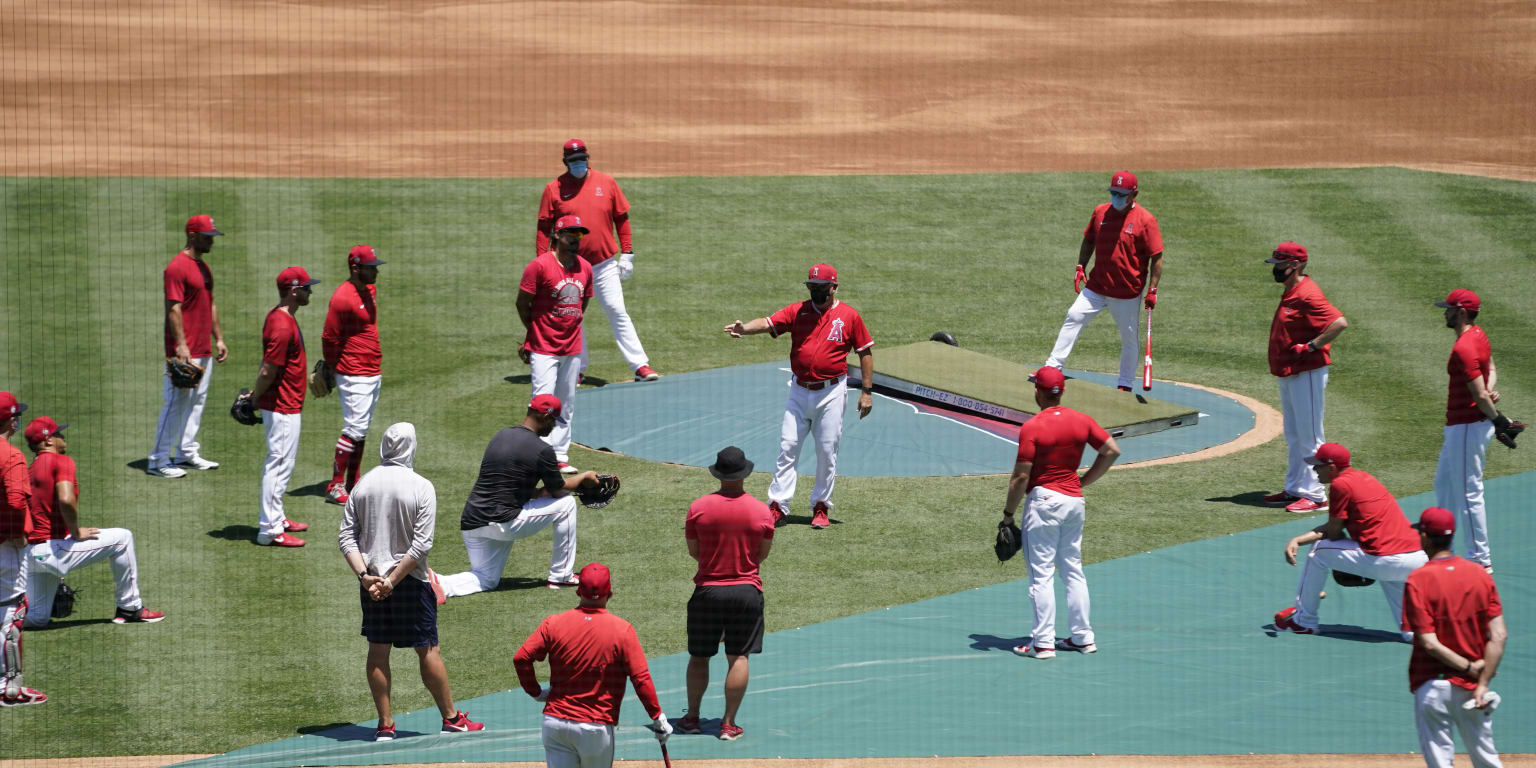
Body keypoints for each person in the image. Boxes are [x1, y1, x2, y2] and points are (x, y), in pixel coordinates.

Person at [338, 422, 483, 741]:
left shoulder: (362, 485)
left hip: (372, 583)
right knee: (428, 649)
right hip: (410, 582)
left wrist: (366, 577)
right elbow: (422, 545)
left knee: (378, 650)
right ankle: (452, 719)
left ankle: (385, 725)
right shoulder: (421, 486)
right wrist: (391, 581)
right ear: (411, 447)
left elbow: (347, 537)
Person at [722, 264, 875, 530]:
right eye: (811, 287)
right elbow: (769, 322)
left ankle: (820, 506)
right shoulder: (798, 311)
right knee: (788, 446)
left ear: (834, 287)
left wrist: (867, 392)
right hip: (799, 390)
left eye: (820, 287)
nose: (815, 291)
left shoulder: (849, 316)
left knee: (827, 451)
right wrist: (744, 328)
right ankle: (778, 506)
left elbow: (865, 352)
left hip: (831, 392)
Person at [436, 395, 606, 597]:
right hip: (503, 522)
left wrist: (543, 492)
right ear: (545, 417)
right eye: (553, 421)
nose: (553, 427)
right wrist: (584, 477)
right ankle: (561, 576)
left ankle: (438, 583)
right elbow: (559, 490)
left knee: (486, 579)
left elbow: (512, 486)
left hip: (472, 522)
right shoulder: (542, 450)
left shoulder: (501, 435)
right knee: (567, 504)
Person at [1004, 367, 1120, 659]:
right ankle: (1083, 638)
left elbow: (1020, 478)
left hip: (1044, 503)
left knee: (1041, 574)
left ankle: (1042, 643)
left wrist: (1008, 515)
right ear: (1062, 391)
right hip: (1074, 501)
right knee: (1072, 570)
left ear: (1037, 392)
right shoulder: (1082, 420)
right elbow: (1111, 450)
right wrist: (1084, 480)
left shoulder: (1033, 427)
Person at [513, 562, 671, 768]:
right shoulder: (622, 631)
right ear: (610, 592)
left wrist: (536, 693)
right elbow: (640, 678)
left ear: (578, 592)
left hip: (555, 724)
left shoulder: (553, 623)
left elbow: (521, 658)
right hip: (594, 729)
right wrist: (657, 716)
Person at [1273, 443, 1429, 638]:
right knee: (1412, 632)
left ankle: (1303, 621)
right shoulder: (1365, 478)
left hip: (1386, 559)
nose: (1314, 470)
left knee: (1318, 552)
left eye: (1318, 466)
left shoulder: (1340, 485)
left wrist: (1302, 542)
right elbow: (1340, 527)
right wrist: (1298, 540)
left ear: (1331, 468)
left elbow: (1334, 532)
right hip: (1417, 559)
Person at [536, 138, 660, 383]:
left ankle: (640, 365)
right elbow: (543, 228)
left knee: (617, 310)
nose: (579, 164)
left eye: (582, 159)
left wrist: (627, 253)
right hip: (569, 267)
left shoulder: (606, 182)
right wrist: (544, 262)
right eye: (573, 161)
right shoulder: (554, 188)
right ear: (565, 162)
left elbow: (621, 219)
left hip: (604, 264)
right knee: (572, 316)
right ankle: (577, 369)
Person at [23, 417, 164, 626]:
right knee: (122, 539)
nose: (63, 436)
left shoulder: (31, 469)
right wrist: (76, 532)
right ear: (48, 441)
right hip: (53, 551)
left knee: (36, 618)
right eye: (58, 433)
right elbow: (65, 498)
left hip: (30, 555)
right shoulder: (61, 461)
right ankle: (130, 608)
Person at [678, 446, 774, 741]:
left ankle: (692, 718)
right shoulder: (762, 511)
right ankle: (729, 724)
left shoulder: (698, 508)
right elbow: (761, 555)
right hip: (746, 593)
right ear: (745, 473)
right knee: (739, 657)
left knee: (698, 657)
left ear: (718, 473)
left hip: (707, 591)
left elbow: (695, 551)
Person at [1402, 506, 1506, 768]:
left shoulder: (1419, 579)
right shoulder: (1479, 575)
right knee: (1487, 759)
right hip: (1473, 690)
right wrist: (1481, 680)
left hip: (1432, 685)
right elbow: (1499, 635)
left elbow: (1429, 643)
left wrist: (1468, 668)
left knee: (1440, 762)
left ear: (1425, 536)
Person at [1045, 171, 1164, 391]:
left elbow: (1156, 257)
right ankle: (1053, 367)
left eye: (1121, 194)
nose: (1116, 197)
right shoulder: (1101, 212)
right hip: (1097, 286)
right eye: (1114, 193)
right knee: (1074, 315)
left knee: (1129, 338)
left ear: (1134, 194)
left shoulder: (1146, 221)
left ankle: (1125, 383)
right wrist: (1080, 266)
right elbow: (1089, 240)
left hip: (1127, 292)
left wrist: (1152, 289)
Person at [1434, 289, 1521, 573]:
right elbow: (1491, 369)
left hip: (1467, 428)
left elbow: (1481, 397)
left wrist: (1497, 418)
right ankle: (1440, 544)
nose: (1444, 312)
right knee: (1444, 484)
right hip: (1463, 426)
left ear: (1460, 312)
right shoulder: (1478, 335)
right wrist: (1487, 390)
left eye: (1448, 308)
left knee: (1469, 491)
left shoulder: (1463, 348)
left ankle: (1479, 561)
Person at [1264, 241, 1348, 514]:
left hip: (1307, 372)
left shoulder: (1308, 294)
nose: (1275, 268)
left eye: (1279, 264)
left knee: (1311, 435)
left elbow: (1339, 323)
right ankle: (1295, 488)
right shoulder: (1292, 290)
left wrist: (1312, 346)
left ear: (1295, 265)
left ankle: (1316, 495)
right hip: (1290, 372)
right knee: (1293, 433)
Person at [241, 266, 319, 548]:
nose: (311, 291)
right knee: (278, 465)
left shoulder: (280, 317)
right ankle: (270, 530)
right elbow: (267, 371)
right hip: (282, 406)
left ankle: (277, 517)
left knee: (283, 464)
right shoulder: (282, 324)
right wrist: (254, 399)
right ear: (293, 290)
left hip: (285, 403)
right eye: (307, 287)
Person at [147, 214, 229, 478]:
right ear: (192, 235)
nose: (211, 241)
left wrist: (218, 337)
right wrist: (180, 346)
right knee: (175, 403)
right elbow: (174, 308)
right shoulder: (177, 267)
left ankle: (186, 452)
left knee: (197, 402)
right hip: (184, 351)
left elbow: (211, 303)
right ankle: (158, 461)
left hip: (203, 348)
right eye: (207, 237)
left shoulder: (204, 268)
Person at [520, 215, 594, 474]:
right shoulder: (539, 266)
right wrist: (533, 333)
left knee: (567, 401)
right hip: (543, 346)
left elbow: (582, 304)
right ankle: (536, 453)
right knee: (542, 400)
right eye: (570, 234)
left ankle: (560, 455)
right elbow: (522, 303)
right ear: (557, 237)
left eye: (579, 235)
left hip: (572, 348)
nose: (575, 239)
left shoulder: (585, 267)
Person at [320, 245, 386, 506]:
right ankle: (335, 485)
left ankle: (353, 482)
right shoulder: (342, 297)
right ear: (356, 268)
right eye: (371, 268)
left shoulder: (370, 290)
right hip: (352, 372)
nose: (376, 272)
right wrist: (332, 368)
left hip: (372, 370)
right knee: (353, 428)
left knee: (362, 430)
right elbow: (329, 337)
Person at [0, 392, 46, 706]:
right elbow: (16, 500)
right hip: (6, 547)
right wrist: (15, 532)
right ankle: (10, 688)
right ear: (11, 420)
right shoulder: (11, 455)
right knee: (11, 614)